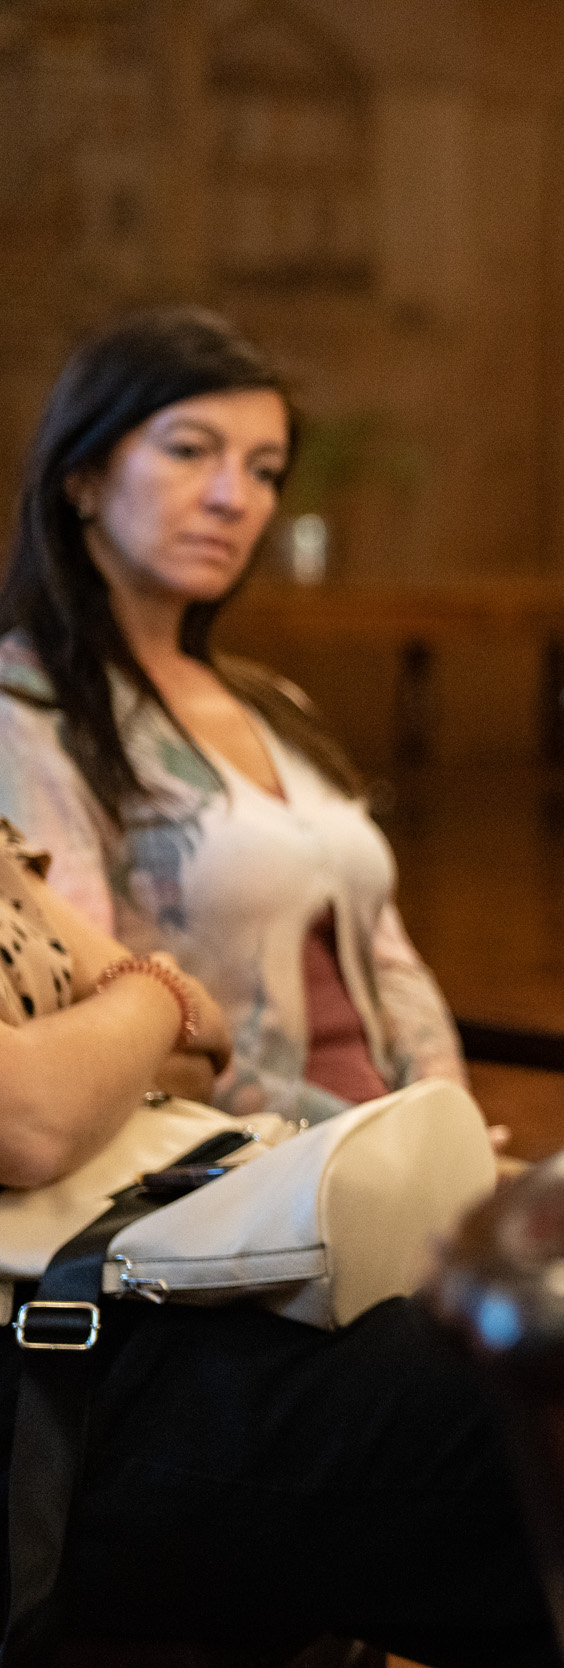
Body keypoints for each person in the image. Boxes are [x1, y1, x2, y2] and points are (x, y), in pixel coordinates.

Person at [0, 815, 556, 1663]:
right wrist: (148, 998)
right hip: (42, 1377)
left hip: (125, 1263)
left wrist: (111, 1047)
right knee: (536, 1425)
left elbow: (205, 1042)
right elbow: (33, 1117)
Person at [0, 307, 466, 1127]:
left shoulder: (273, 703)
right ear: (83, 478)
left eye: (263, 469)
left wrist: (449, 1131)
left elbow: (391, 962)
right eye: (190, 451)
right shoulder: (27, 712)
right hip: (223, 1176)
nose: (233, 498)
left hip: (391, 1150)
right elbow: (73, 1007)